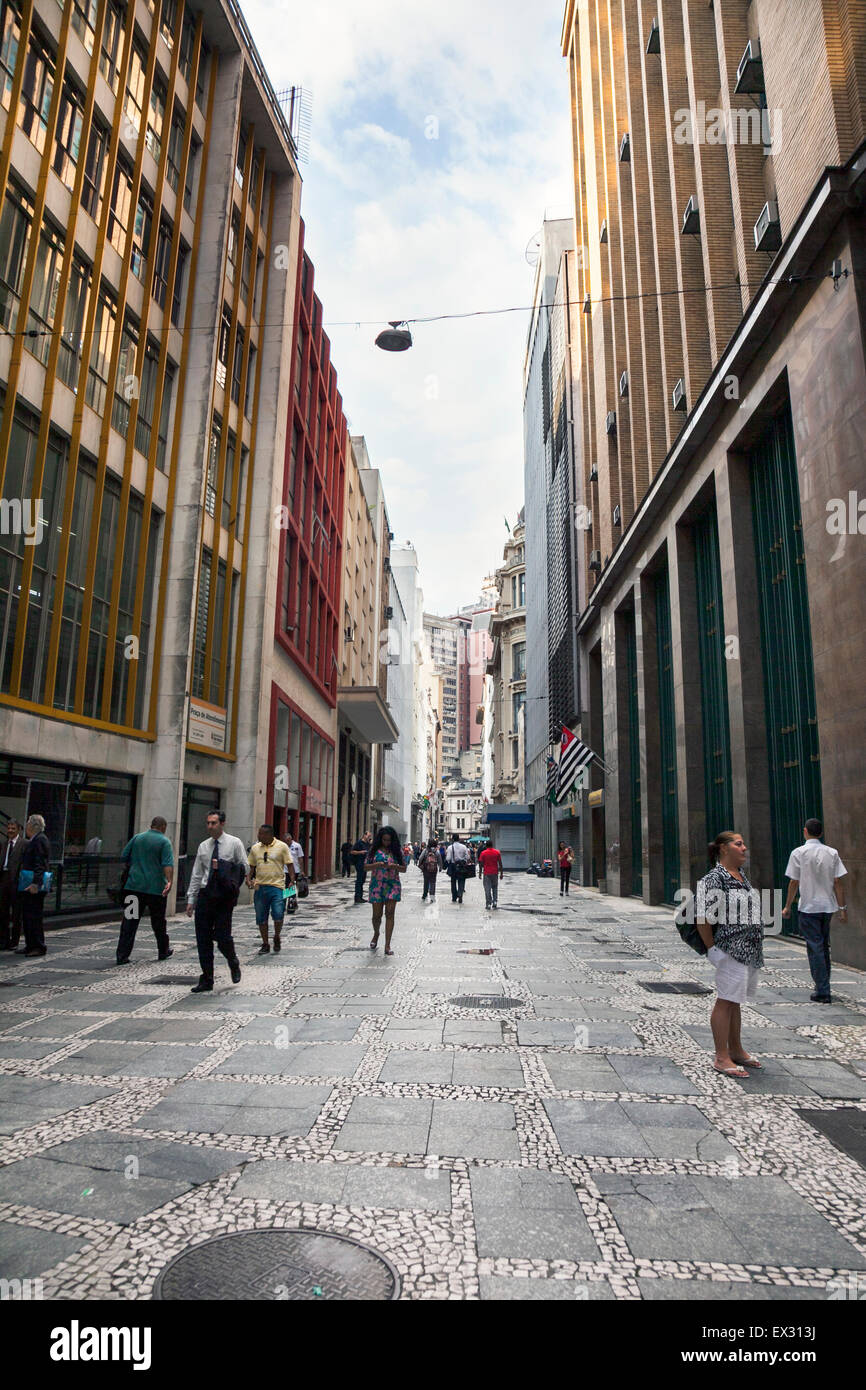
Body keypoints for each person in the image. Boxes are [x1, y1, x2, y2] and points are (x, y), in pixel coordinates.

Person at [695, 831, 765, 1080]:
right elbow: (702, 917)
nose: (744, 848)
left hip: (748, 949)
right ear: (724, 849)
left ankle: (736, 1049)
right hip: (729, 949)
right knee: (725, 1000)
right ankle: (721, 1056)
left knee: (734, 1000)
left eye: (744, 843)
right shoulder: (715, 878)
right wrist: (712, 948)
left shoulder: (741, 876)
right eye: (738, 844)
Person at [782, 819, 848, 1003]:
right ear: (820, 833)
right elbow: (838, 882)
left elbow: (793, 882)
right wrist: (843, 908)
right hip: (828, 906)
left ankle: (822, 990)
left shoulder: (798, 853)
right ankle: (823, 984)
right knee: (823, 945)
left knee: (815, 946)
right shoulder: (832, 852)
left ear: (805, 831)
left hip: (809, 906)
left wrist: (787, 905)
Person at [186, 810, 247, 993]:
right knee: (203, 938)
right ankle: (207, 978)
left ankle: (232, 960)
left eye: (213, 823)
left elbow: (243, 867)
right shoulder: (204, 846)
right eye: (208, 823)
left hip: (223, 897)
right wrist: (191, 898)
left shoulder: (234, 843)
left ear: (222, 824)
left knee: (222, 937)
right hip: (206, 895)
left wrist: (224, 870)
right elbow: (197, 873)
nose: (210, 826)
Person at [116, 816, 174, 964]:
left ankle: (122, 955)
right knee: (158, 921)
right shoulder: (164, 842)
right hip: (155, 890)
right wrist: (169, 881)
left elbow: (123, 856)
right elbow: (167, 864)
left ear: (151, 825)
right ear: (163, 827)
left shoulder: (137, 838)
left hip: (134, 888)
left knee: (129, 921)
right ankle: (163, 950)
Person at [248, 824, 293, 954]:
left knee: (278, 914)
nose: (258, 835)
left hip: (278, 886)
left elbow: (290, 865)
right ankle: (265, 943)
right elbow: (252, 866)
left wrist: (292, 881)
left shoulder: (282, 846)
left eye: (261, 833)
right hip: (260, 886)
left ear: (268, 834)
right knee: (261, 917)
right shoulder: (255, 848)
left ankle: (277, 936)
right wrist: (248, 878)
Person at [366, 826, 406, 955]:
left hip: (392, 885)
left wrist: (395, 866)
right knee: (376, 916)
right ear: (380, 839)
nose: (387, 843)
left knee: (390, 914)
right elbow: (365, 867)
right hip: (377, 886)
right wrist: (376, 865)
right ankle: (376, 933)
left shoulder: (396, 851)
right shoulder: (374, 850)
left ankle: (387, 945)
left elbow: (404, 868)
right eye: (384, 840)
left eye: (389, 840)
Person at [18, 814, 51, 958]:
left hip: (34, 885)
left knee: (34, 916)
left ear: (32, 826)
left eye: (27, 824)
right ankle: (30, 944)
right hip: (29, 883)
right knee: (27, 915)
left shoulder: (40, 840)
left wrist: (35, 884)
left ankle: (38, 946)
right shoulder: (35, 840)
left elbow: (40, 864)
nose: (26, 827)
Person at [0, 819, 24, 951]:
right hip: (4, 879)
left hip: (16, 881)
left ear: (18, 829)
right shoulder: (4, 844)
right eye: (8, 828)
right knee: (3, 911)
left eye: (13, 828)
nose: (10, 830)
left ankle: (14, 941)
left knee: (16, 913)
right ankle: (3, 939)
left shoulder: (23, 844)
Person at [478, 839, 504, 910]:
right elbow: (500, 863)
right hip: (495, 873)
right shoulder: (497, 852)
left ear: (486, 846)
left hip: (487, 873)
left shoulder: (483, 853)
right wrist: (501, 873)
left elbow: (480, 864)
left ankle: (488, 903)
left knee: (487, 889)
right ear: (492, 845)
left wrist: (480, 873)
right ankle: (495, 902)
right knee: (495, 888)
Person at [446, 833, 470, 904]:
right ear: (459, 839)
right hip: (462, 866)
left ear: (453, 839)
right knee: (461, 880)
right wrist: (463, 860)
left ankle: (454, 896)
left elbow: (448, 858)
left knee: (453, 882)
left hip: (453, 866)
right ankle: (460, 895)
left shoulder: (450, 847)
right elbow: (467, 857)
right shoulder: (464, 847)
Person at [350, 830, 372, 904]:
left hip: (365, 864)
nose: (369, 837)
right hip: (359, 863)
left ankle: (360, 897)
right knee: (359, 880)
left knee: (363, 880)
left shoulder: (367, 844)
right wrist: (360, 852)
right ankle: (357, 897)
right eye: (368, 836)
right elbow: (352, 851)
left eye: (370, 836)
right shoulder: (359, 843)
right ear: (364, 835)